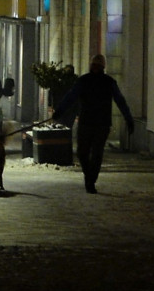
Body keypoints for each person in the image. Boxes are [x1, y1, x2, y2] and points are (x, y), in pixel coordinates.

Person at [53, 54, 135, 194]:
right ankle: (90, 176)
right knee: (83, 153)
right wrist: (59, 111)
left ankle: (90, 180)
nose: (95, 67)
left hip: (100, 124)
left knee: (95, 153)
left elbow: (120, 101)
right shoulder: (85, 81)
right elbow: (71, 97)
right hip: (88, 122)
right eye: (94, 65)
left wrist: (128, 118)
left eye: (97, 65)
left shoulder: (107, 82)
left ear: (102, 67)